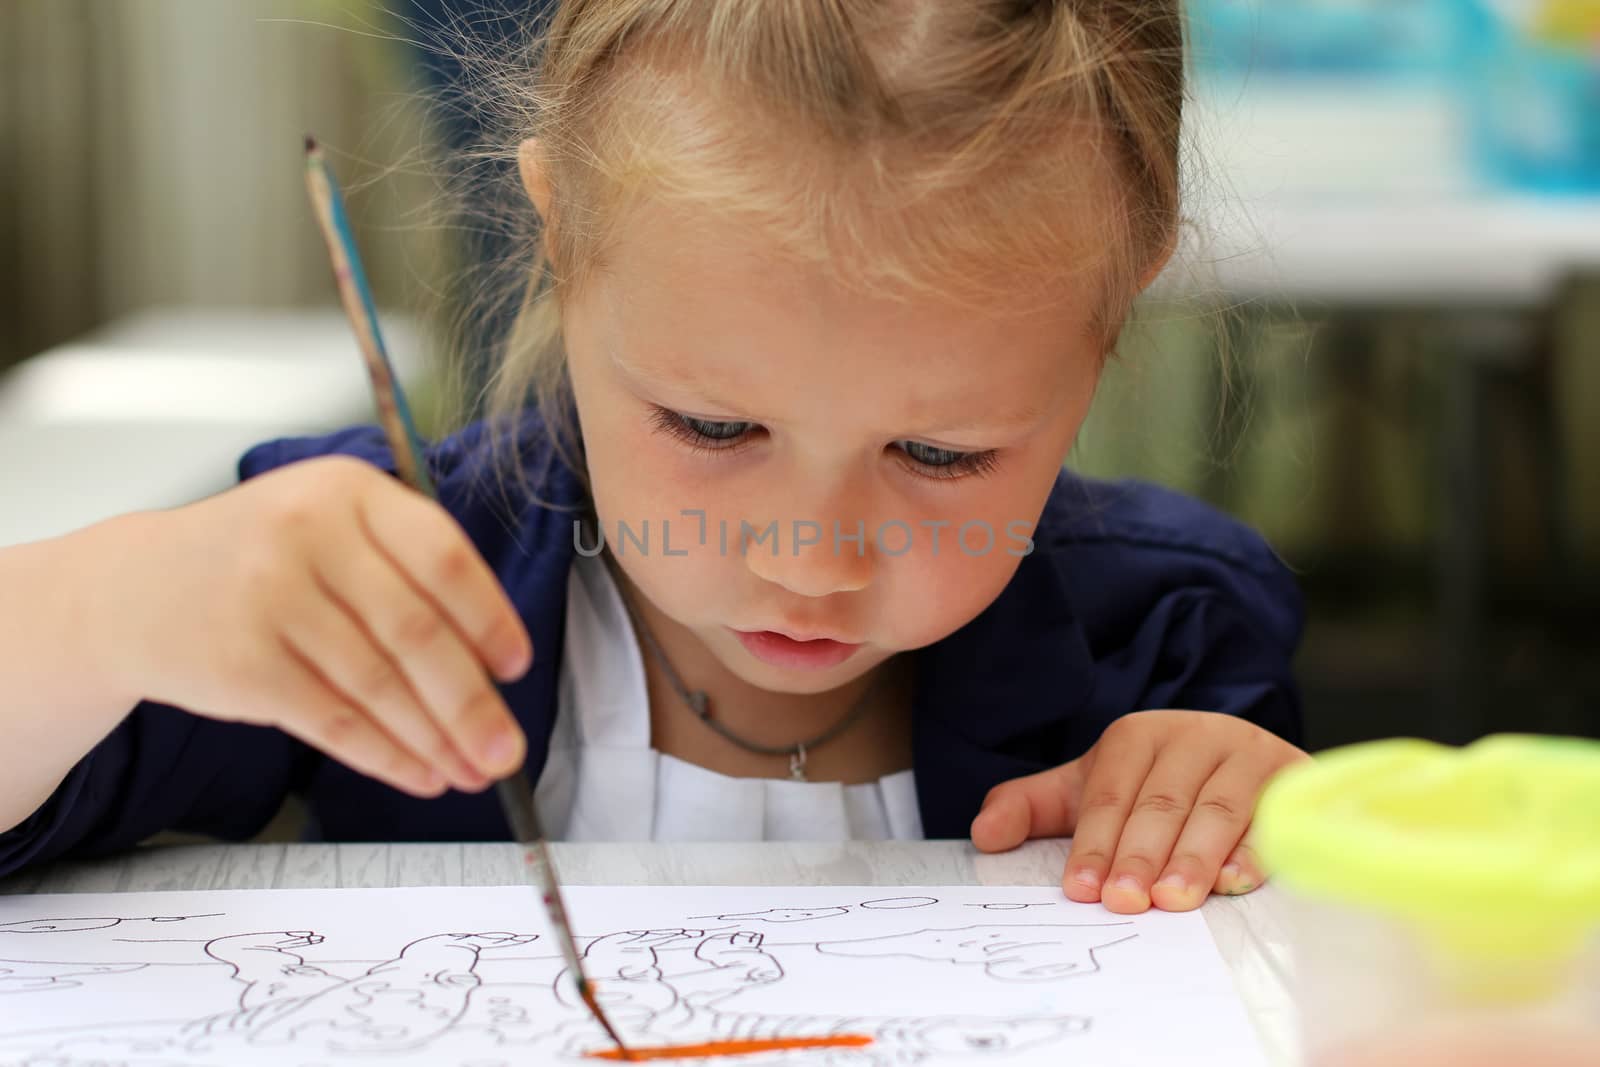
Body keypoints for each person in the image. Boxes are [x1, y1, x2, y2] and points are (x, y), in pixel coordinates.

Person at [0, 0, 1307, 915]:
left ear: (1116, 309)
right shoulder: (392, 581)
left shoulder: (1171, 641)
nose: (811, 559)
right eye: (715, 428)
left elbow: (1299, 962)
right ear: (562, 238)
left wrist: (1278, 830)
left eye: (938, 453)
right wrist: (113, 608)